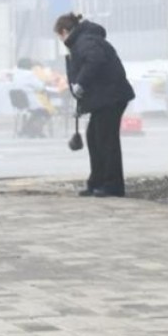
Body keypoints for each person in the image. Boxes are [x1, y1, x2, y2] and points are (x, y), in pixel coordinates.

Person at [54, 13, 135, 198]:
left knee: (106, 140)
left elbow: (95, 60)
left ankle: (112, 186)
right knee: (94, 137)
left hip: (111, 98)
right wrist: (81, 105)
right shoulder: (85, 40)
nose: (61, 40)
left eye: (60, 36)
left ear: (65, 31)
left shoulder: (86, 41)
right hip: (106, 98)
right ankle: (97, 182)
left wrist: (80, 83)